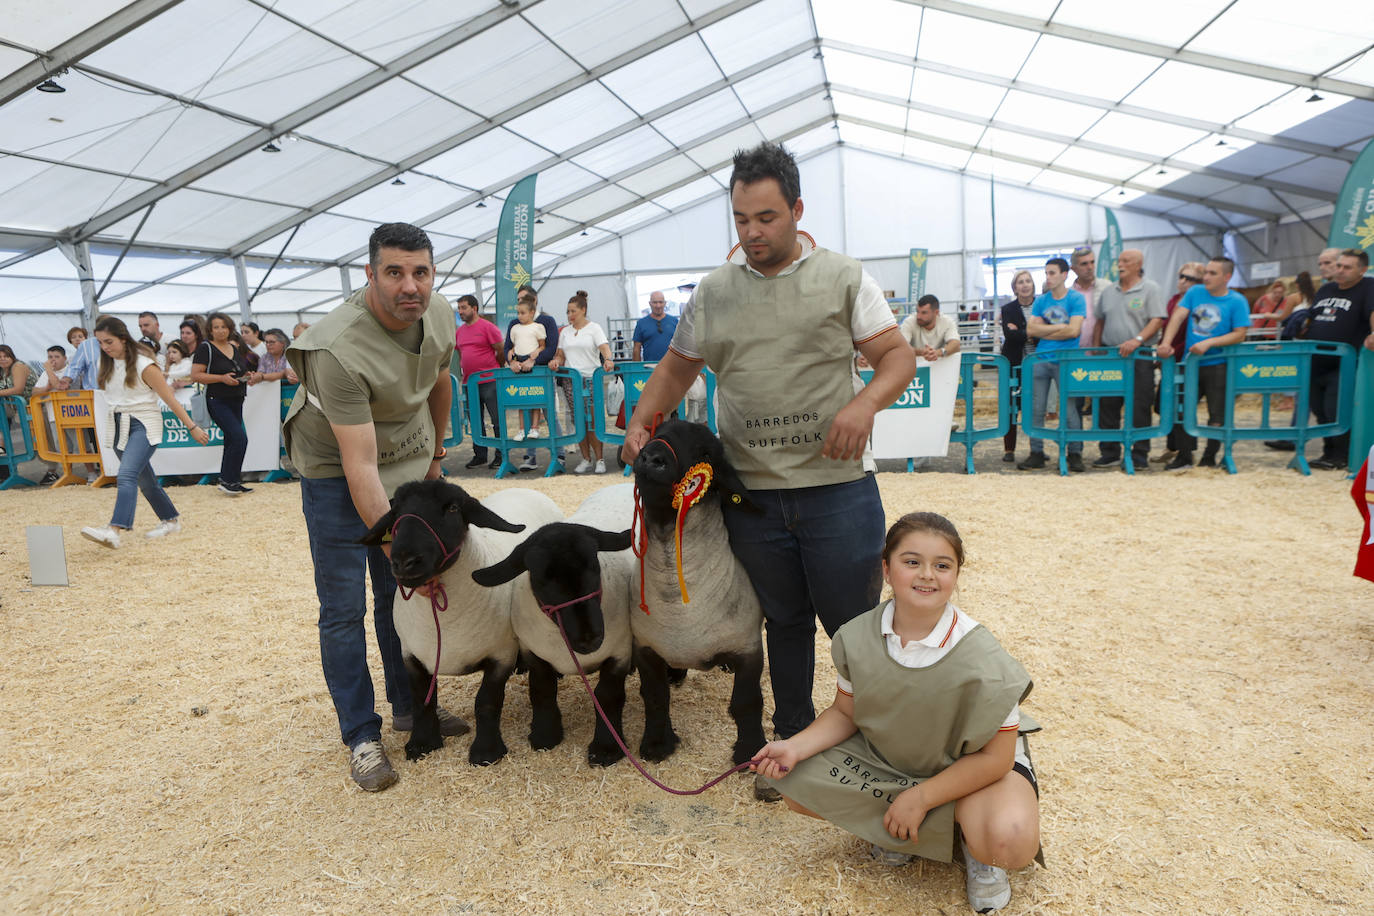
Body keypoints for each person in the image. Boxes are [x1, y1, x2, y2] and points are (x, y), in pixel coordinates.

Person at [621, 141, 915, 801]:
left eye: (767, 218)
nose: (753, 233)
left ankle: (875, 747)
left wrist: (864, 403)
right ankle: (791, 748)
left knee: (855, 629)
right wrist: (643, 420)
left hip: (837, 491)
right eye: (741, 219)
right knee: (781, 622)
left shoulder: (843, 277)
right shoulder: (714, 293)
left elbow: (897, 359)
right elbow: (676, 368)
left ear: (797, 210)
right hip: (749, 497)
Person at [751, 512, 1039, 914]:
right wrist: (794, 747)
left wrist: (921, 797)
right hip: (892, 758)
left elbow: (995, 758)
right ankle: (901, 829)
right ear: (886, 569)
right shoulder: (856, 636)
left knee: (1008, 839)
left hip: (969, 766)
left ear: (957, 574)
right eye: (911, 561)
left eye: (942, 565)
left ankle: (971, 844)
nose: (927, 575)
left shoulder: (987, 660)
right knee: (794, 779)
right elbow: (845, 714)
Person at [282, 222, 466, 793]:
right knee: (343, 607)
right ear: (369, 275)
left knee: (397, 595)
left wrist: (436, 456)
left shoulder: (437, 315)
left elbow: (440, 381)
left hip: (405, 455)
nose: (409, 286)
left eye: (421, 272)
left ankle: (410, 706)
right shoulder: (335, 347)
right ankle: (362, 735)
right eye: (394, 272)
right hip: (337, 470)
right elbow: (359, 466)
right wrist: (395, 546)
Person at [78, 316, 210, 548]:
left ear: (122, 338)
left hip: (144, 423)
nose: (104, 347)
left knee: (127, 474)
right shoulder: (105, 364)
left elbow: (169, 398)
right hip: (118, 423)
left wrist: (192, 426)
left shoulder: (144, 364)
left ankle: (114, 529)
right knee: (144, 479)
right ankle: (170, 520)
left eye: (108, 342)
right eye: (100, 343)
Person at [1156, 256, 1251, 470]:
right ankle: (1185, 455)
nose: (1206, 277)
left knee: (1217, 413)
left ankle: (1210, 455)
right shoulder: (1194, 293)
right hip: (1191, 364)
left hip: (1219, 363)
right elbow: (1178, 317)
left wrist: (1210, 342)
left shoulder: (1237, 301)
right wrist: (1167, 343)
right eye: (1206, 272)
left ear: (1227, 277)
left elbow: (1240, 334)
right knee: (1180, 408)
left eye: (1212, 273)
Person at [1298, 248, 1374, 470]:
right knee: (1319, 409)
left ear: (1363, 270)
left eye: (1347, 267)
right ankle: (1328, 452)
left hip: (1344, 363)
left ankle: (1342, 454)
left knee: (1337, 409)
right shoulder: (1326, 288)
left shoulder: (1368, 287)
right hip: (1314, 360)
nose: (1340, 271)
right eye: (1339, 266)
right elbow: (1313, 315)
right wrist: (1301, 321)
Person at [1091, 249, 1165, 470]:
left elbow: (1157, 319)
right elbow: (1100, 321)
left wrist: (1137, 339)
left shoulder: (1150, 289)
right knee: (1108, 403)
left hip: (1138, 356)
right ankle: (1110, 451)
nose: (1120, 264)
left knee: (1140, 404)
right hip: (1111, 355)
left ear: (1138, 264)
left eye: (1126, 261)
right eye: (1119, 261)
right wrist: (1096, 349)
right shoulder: (1109, 291)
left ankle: (1139, 453)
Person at [1018, 257, 1087, 472]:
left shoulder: (1076, 299)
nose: (1048, 277)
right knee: (1036, 409)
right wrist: (1061, 328)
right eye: (1047, 273)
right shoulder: (1041, 301)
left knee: (1069, 410)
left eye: (1052, 273)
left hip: (1066, 361)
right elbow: (1031, 331)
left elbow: (1075, 331)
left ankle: (1074, 453)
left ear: (1065, 274)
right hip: (1041, 359)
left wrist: (1045, 330)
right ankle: (1036, 452)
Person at [190, 311, 255, 494]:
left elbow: (239, 369)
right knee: (239, 438)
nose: (220, 331)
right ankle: (228, 480)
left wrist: (246, 376)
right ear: (209, 330)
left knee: (232, 439)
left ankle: (231, 480)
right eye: (216, 327)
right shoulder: (205, 348)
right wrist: (221, 378)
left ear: (229, 328)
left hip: (237, 398)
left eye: (223, 327)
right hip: (217, 399)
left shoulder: (234, 347)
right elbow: (196, 375)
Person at [550, 290, 614, 473]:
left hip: (591, 379)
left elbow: (605, 349)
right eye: (568, 312)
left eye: (573, 311)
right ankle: (585, 458)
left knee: (593, 419)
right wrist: (556, 362)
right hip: (572, 381)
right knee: (579, 421)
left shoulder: (594, 328)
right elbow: (561, 355)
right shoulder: (565, 332)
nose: (570, 315)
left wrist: (608, 360)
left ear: (583, 310)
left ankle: (600, 459)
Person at [1153, 262, 1205, 464]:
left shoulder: (1199, 303)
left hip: (1185, 359)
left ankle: (1186, 451)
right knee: (1164, 404)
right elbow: (1167, 330)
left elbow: (1195, 333)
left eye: (1190, 278)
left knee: (1182, 406)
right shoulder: (1174, 300)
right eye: (1182, 276)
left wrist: (1175, 350)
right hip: (1169, 359)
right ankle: (1173, 447)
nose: (1183, 281)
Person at [504, 285, 560, 471]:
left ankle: (558, 454)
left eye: (524, 300)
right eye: (518, 300)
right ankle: (530, 456)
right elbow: (507, 347)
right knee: (526, 410)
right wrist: (511, 361)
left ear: (534, 301)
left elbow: (550, 347)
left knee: (549, 413)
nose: (520, 304)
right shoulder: (514, 324)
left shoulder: (546, 321)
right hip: (522, 375)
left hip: (542, 373)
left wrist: (533, 362)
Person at [454, 294, 505, 469]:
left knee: (496, 419)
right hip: (470, 383)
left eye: (463, 308)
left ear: (474, 309)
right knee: (475, 420)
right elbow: (461, 353)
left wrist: (494, 369)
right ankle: (480, 455)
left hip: (490, 381)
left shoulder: (488, 327)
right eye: (459, 308)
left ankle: (501, 455)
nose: (460, 311)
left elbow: (500, 350)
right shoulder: (459, 331)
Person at [999, 271, 1035, 463]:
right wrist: (1032, 332)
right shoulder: (1008, 309)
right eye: (1020, 282)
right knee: (1011, 406)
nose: (1024, 285)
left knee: (1034, 407)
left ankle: (1036, 449)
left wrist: (1021, 332)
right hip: (1013, 363)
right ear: (1014, 288)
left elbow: (1044, 334)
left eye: (1028, 281)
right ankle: (1009, 449)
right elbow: (1009, 335)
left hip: (1036, 363)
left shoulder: (1042, 305)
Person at [899, 294, 961, 362]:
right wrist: (922, 352)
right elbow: (902, 347)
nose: (918, 316)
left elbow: (956, 344)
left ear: (936, 312)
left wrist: (939, 352)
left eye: (924, 313)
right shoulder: (909, 322)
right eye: (917, 311)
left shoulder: (947, 321)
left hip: (939, 365)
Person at [632, 290, 678, 361]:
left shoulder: (675, 322)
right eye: (655, 302)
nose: (658, 305)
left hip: (671, 367)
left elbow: (682, 346)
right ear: (650, 303)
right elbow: (636, 349)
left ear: (665, 303)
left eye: (660, 302)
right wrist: (636, 369)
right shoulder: (641, 323)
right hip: (649, 368)